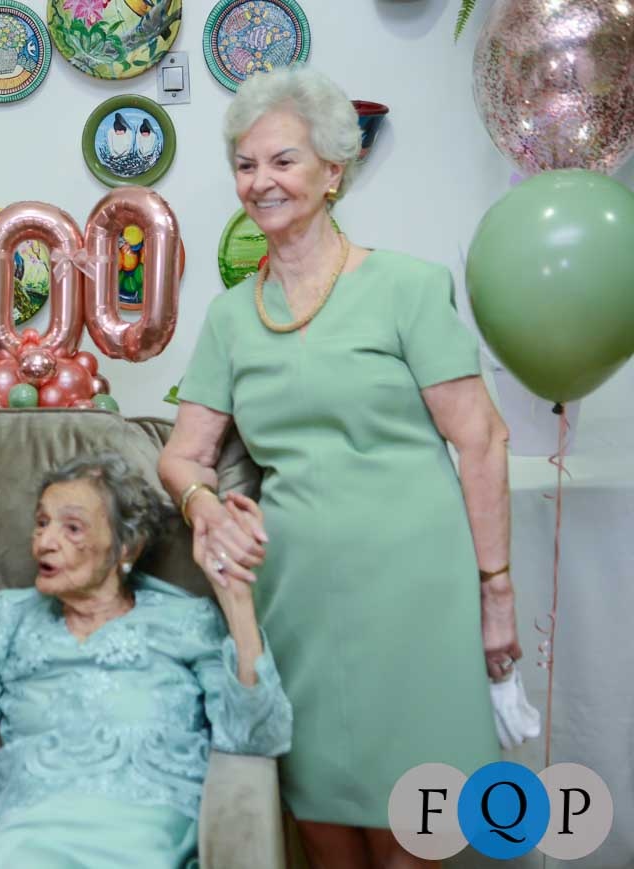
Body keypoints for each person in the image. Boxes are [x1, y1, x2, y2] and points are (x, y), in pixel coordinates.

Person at [158, 65, 523, 869]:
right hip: (297, 603)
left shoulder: (408, 288)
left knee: (414, 837)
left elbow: (482, 440)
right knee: (322, 833)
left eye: (283, 160)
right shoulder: (229, 318)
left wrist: (496, 592)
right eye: (246, 164)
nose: (261, 181)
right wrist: (203, 505)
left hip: (415, 598)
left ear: (333, 171)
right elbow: (183, 454)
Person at [0, 454, 292, 868]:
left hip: (144, 834)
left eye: (73, 528)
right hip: (28, 835)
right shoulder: (8, 619)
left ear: (127, 547)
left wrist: (236, 600)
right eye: (41, 522)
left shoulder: (185, 621)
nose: (45, 542)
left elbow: (255, 734)